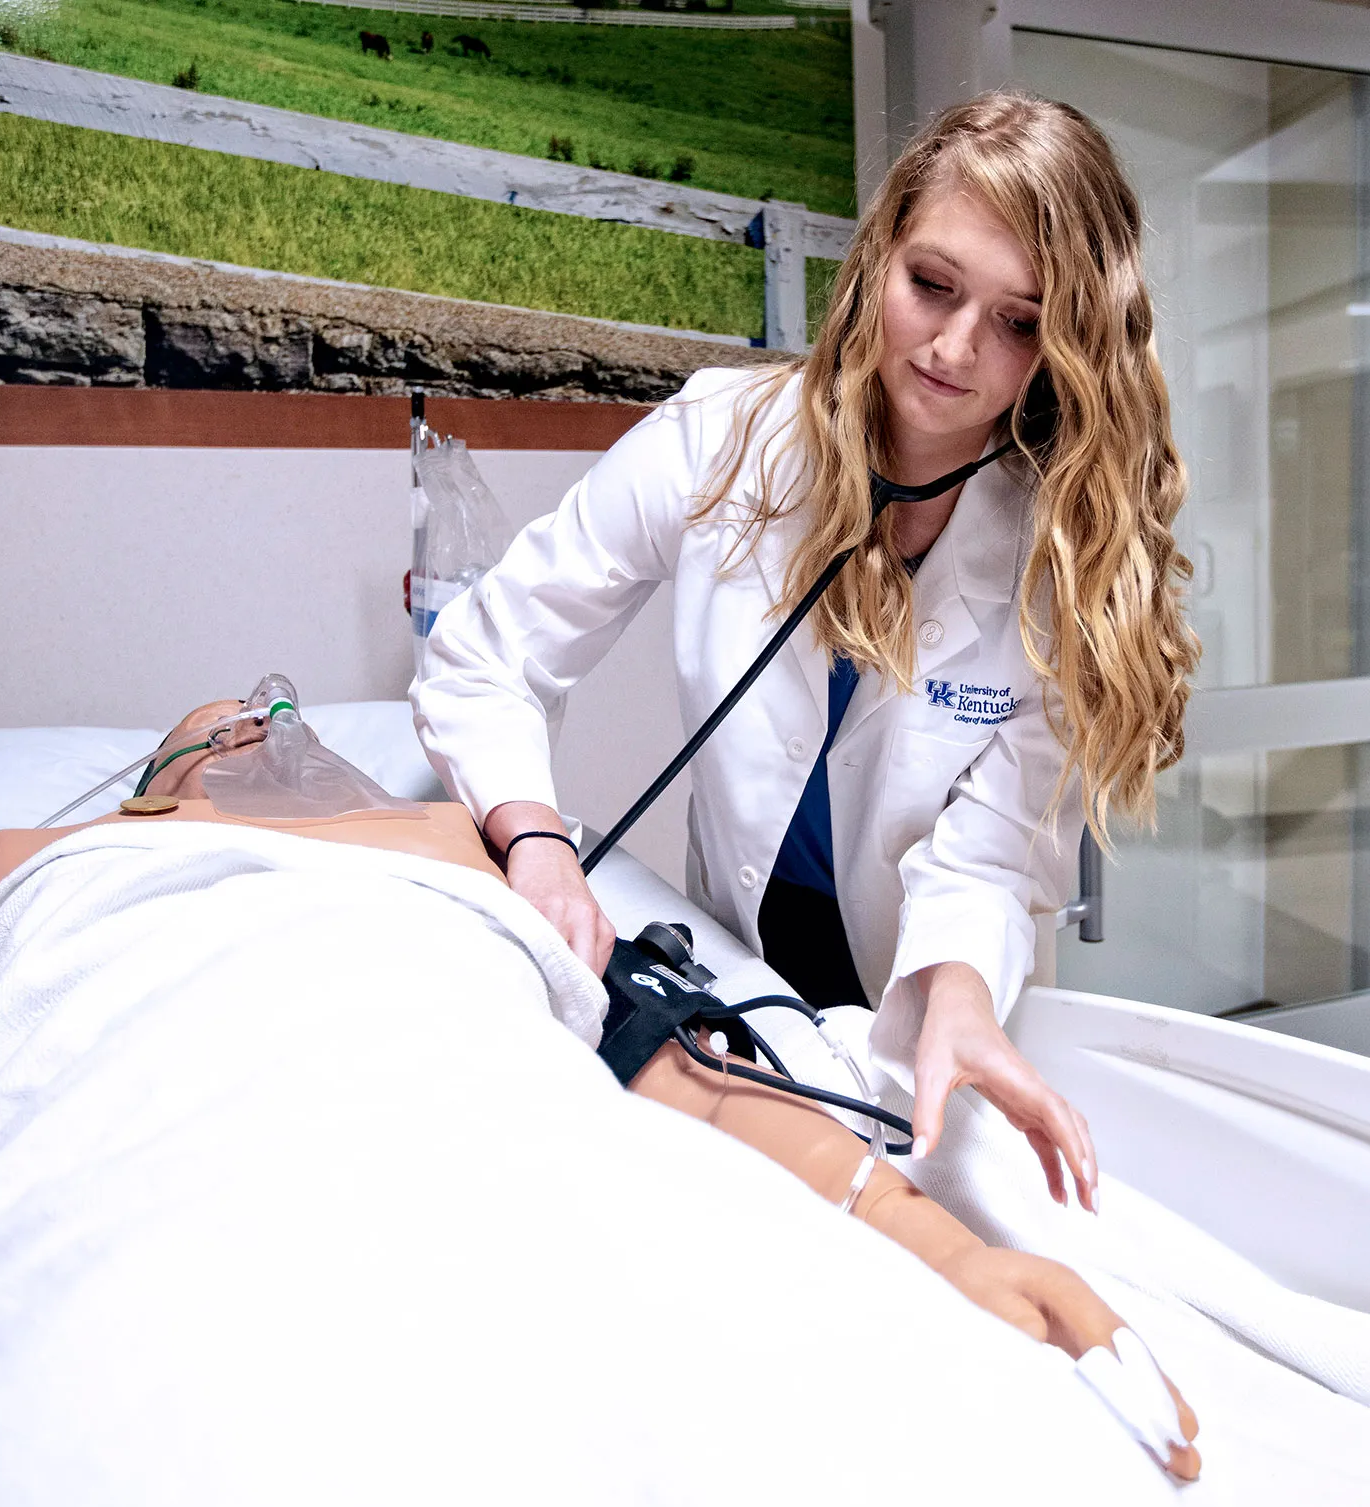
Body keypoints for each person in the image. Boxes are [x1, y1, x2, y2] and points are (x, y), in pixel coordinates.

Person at [0, 700, 1200, 1480]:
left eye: (290, 712)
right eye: (231, 720)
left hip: (487, 1135)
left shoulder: (469, 854)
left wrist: (942, 1248)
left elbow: (693, 1083)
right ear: (153, 781)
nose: (271, 714)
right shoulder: (44, 854)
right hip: (160, 1131)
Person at [411, 92, 1200, 1209]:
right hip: (732, 974)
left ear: (1066, 349)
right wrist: (535, 840)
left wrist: (962, 998)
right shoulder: (720, 443)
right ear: (877, 258)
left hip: (926, 1002)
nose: (955, 346)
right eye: (930, 284)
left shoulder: (1055, 557)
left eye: (1020, 321)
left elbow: (987, 858)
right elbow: (487, 651)